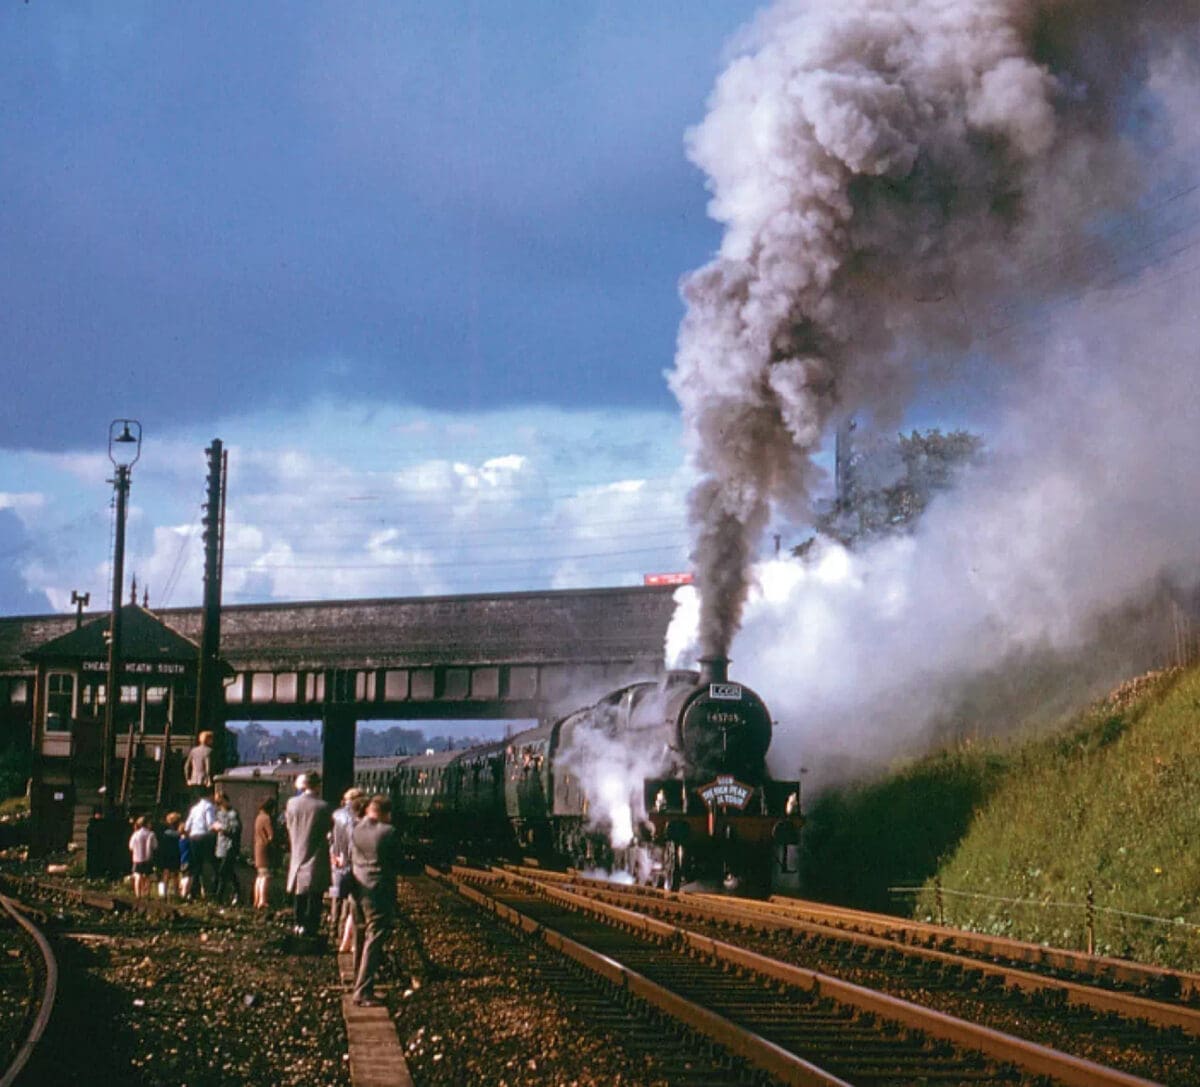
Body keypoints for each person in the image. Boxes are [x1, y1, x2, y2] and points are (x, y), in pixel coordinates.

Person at [350, 794, 402, 1006]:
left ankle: (357, 979)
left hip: (356, 888)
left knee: (360, 935)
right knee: (375, 938)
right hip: (378, 890)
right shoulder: (388, 832)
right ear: (386, 814)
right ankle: (363, 991)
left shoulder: (355, 829)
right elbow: (396, 861)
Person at [285, 771, 332, 938]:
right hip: (316, 855)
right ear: (317, 785)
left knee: (300, 892)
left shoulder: (291, 804)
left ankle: (298, 924)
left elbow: (289, 825)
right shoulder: (323, 807)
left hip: (297, 852)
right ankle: (311, 928)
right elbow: (327, 830)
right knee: (315, 894)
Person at [329, 787, 363, 946]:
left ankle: (332, 928)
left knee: (336, 896)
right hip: (349, 863)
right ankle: (343, 931)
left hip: (336, 861)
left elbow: (332, 839)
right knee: (349, 900)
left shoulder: (336, 815)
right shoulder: (355, 819)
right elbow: (352, 842)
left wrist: (333, 856)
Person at [183, 791, 218, 899]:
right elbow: (210, 823)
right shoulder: (209, 807)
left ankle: (193, 891)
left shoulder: (194, 808)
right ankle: (213, 890)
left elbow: (187, 826)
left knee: (196, 865)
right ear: (210, 795)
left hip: (193, 837)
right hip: (205, 837)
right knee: (212, 862)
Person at [212, 793, 243, 905]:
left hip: (230, 847)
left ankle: (219, 897)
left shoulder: (232, 814)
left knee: (223, 872)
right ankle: (237, 892)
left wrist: (222, 828)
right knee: (229, 872)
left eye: (220, 802)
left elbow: (235, 830)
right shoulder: (219, 813)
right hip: (220, 846)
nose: (219, 805)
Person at [253, 795, 278, 910]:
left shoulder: (258, 817)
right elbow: (271, 835)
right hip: (265, 849)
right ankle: (263, 900)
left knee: (259, 876)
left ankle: (257, 899)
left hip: (257, 847)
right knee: (265, 876)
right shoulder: (267, 818)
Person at [128, 815, 157, 899]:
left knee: (138, 876)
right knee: (148, 876)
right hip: (148, 858)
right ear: (147, 824)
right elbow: (155, 846)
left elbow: (131, 847)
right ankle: (146, 893)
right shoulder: (151, 834)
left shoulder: (135, 834)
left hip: (137, 858)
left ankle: (138, 894)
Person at [156, 811, 183, 899]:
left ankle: (164, 892)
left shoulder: (165, 834)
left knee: (166, 874)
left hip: (167, 855)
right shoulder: (179, 834)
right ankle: (176, 893)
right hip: (176, 854)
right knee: (175, 874)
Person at [184, 730, 214, 798]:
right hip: (204, 781)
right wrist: (209, 780)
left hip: (193, 780)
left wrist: (188, 779)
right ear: (208, 739)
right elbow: (208, 767)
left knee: (194, 799)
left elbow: (186, 766)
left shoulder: (193, 750)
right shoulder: (209, 751)